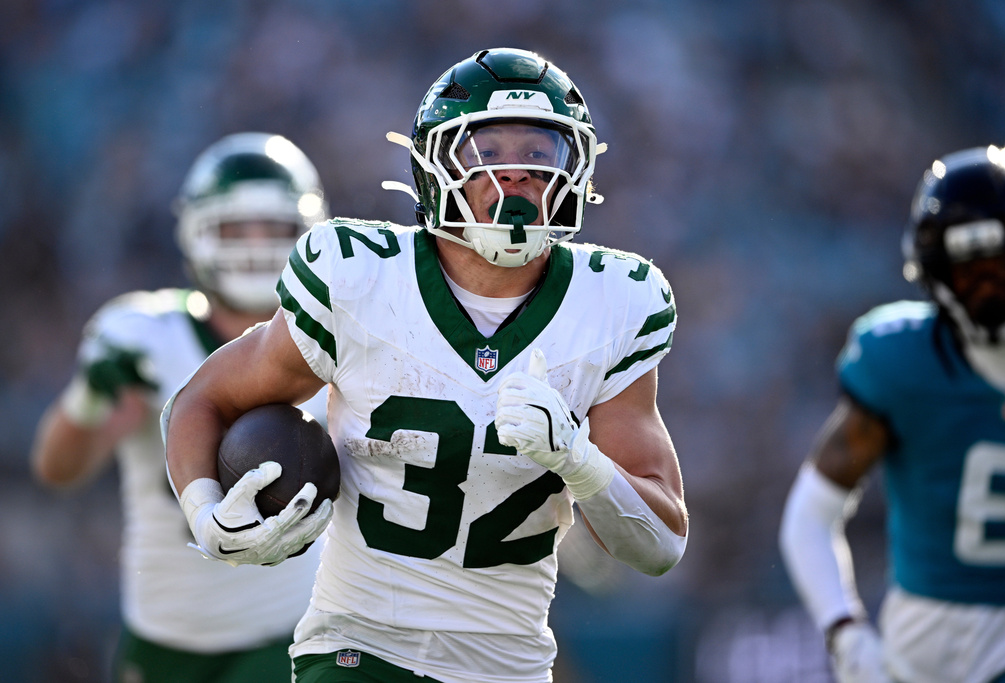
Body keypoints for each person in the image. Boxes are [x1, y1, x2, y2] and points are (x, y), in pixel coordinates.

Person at [162, 47, 688, 683]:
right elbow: (200, 400)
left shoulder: (614, 303)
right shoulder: (359, 280)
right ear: (434, 168)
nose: (515, 176)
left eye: (539, 154)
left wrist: (578, 459)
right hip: (361, 646)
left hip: (510, 665)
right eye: (486, 154)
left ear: (574, 171)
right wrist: (204, 513)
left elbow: (660, 546)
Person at [31, 132, 331, 682]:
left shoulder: (337, 337)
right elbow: (57, 469)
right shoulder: (139, 334)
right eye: (235, 228)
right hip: (164, 634)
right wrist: (89, 401)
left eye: (274, 228)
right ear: (196, 232)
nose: (255, 244)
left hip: (290, 634)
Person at [779, 145, 1005, 683]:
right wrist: (844, 631)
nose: (988, 287)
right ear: (936, 276)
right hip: (923, 643)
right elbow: (810, 515)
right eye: (968, 272)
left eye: (1003, 265)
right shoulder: (905, 362)